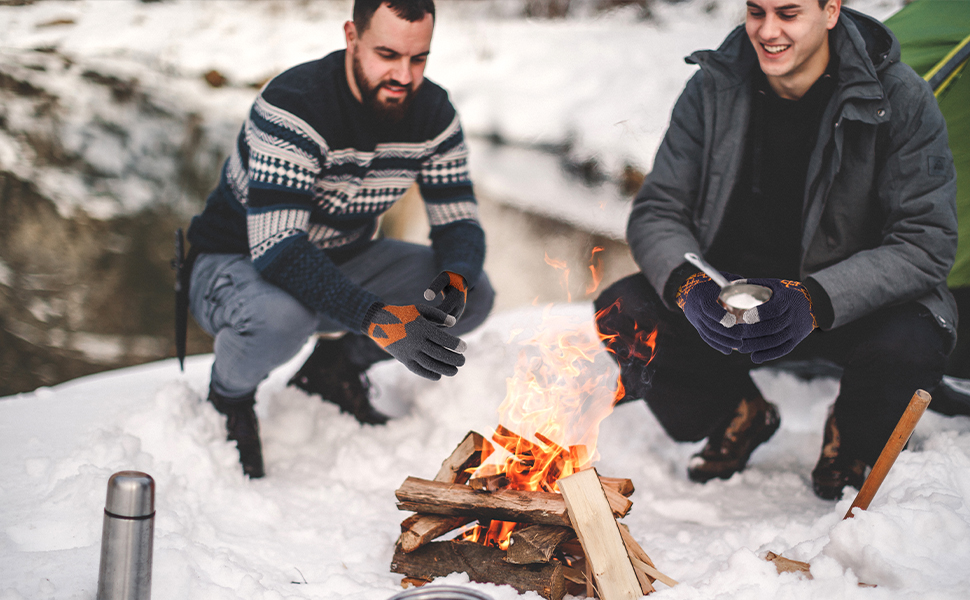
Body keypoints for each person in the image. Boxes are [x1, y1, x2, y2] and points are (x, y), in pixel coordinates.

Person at [594, 0, 957, 500]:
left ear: (831, 11)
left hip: (845, 300)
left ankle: (852, 437)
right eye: (756, 11)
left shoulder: (899, 96)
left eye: (788, 13)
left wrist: (814, 299)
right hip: (734, 295)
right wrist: (688, 283)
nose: (767, 31)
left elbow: (926, 241)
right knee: (624, 308)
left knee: (914, 338)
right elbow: (658, 210)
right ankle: (737, 414)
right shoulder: (713, 87)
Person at [184, 0, 494, 478]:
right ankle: (229, 397)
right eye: (387, 54)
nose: (404, 76)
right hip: (236, 262)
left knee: (475, 294)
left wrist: (455, 278)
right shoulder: (295, 104)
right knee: (280, 317)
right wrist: (382, 321)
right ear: (351, 35)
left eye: (419, 58)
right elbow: (279, 249)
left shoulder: (433, 114)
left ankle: (334, 367)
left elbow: (458, 220)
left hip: (345, 257)